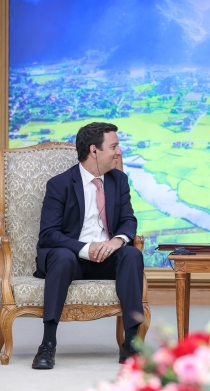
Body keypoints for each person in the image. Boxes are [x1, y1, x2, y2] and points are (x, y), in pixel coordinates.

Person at [32, 122, 144, 369]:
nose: (119, 152)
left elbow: (128, 220)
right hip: (71, 259)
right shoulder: (60, 184)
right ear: (94, 150)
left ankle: (131, 343)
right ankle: (48, 343)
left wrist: (116, 241)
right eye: (113, 147)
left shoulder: (119, 180)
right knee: (62, 257)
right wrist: (86, 249)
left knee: (131, 255)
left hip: (107, 258)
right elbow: (48, 235)